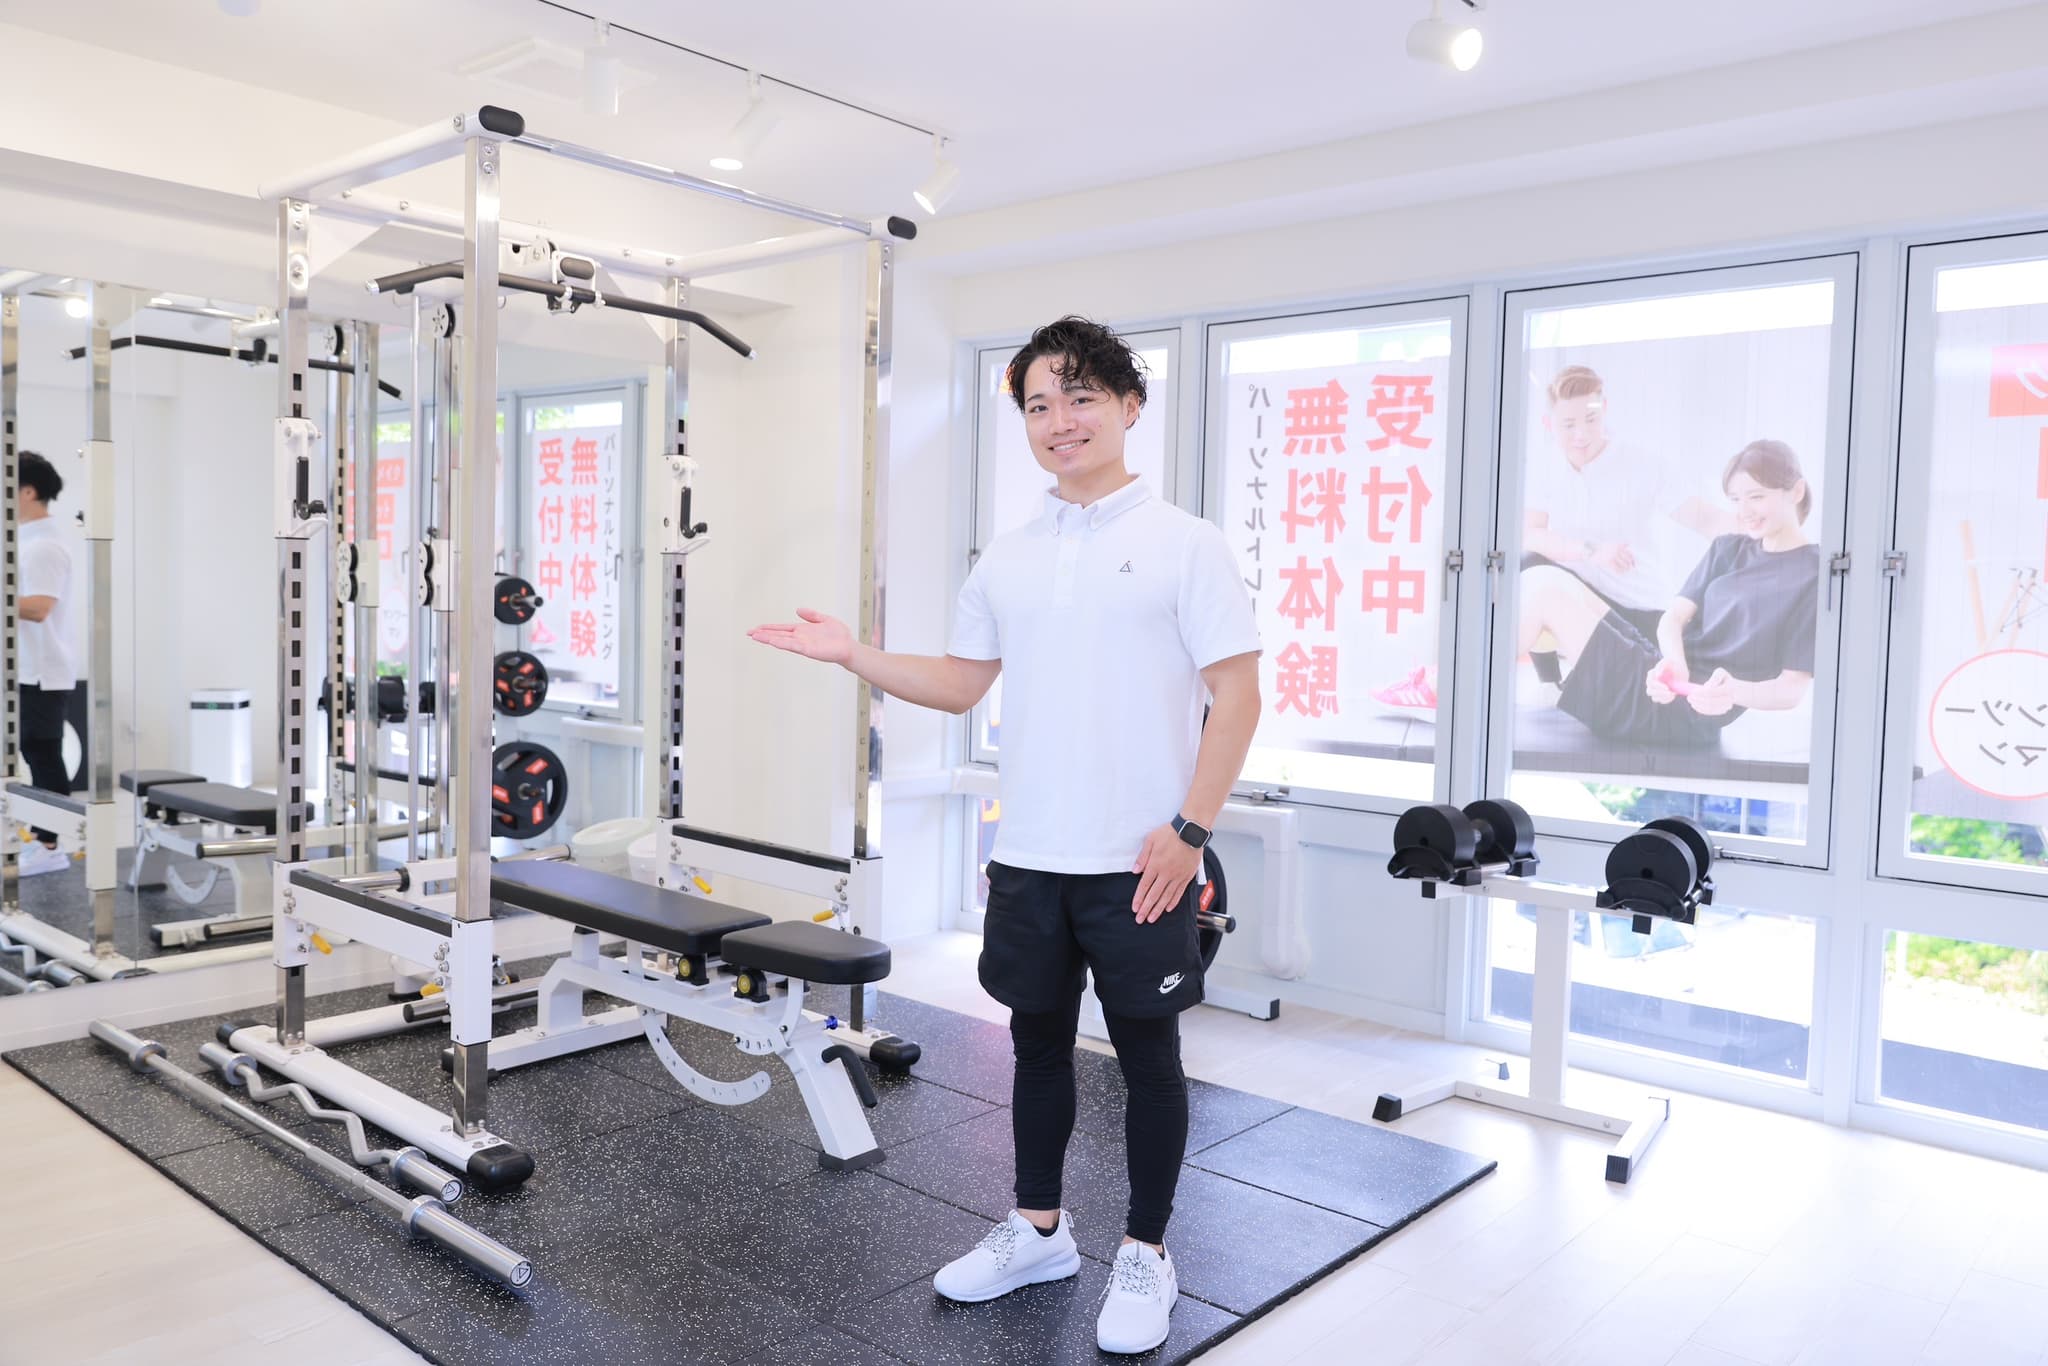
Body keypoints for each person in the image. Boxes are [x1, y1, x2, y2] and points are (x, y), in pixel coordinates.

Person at [749, 317, 1262, 1355]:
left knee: (1149, 1058)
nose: (1058, 420)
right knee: (1034, 1047)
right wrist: (853, 654)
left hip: (1141, 861)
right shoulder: (1011, 554)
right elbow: (959, 683)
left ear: (1128, 406)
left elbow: (1238, 696)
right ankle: (1038, 1231)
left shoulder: (1186, 543)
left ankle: (1147, 1252)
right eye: (1037, 404)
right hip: (1030, 855)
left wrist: (1188, 830)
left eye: (1080, 397)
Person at [1516, 438, 1819, 747]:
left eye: (1756, 497)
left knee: (1547, 597)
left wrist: (1733, 692)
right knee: (1544, 574)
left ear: (1796, 491)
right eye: (1736, 500)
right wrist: (1674, 663)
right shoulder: (1729, 548)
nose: (1744, 511)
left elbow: (1791, 690)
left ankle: (1483, 688)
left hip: (1682, 712)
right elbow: (1673, 618)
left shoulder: (1812, 574)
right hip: (1662, 676)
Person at [16, 451, 76, 876]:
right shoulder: (26, 541)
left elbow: (39, 608)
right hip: (26, 669)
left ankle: (50, 846)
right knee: (34, 754)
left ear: (28, 491)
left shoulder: (43, 547)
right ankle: (42, 838)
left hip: (43, 672)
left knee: (44, 756)